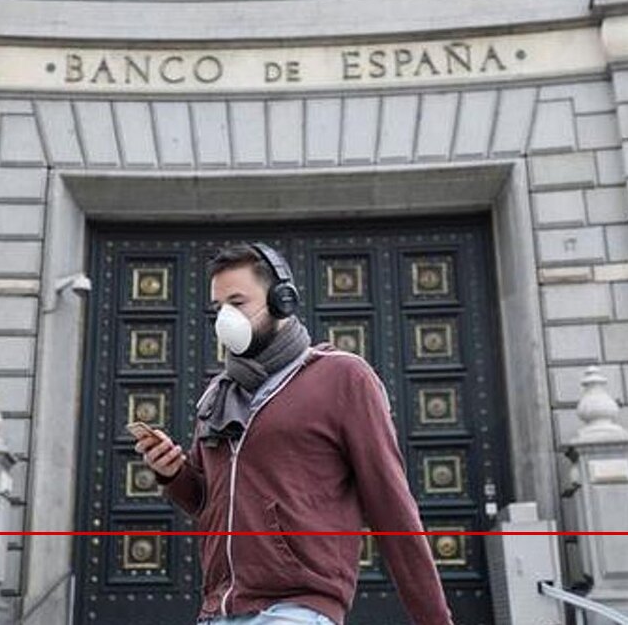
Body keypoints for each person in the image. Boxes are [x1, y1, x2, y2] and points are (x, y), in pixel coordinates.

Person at [134, 242, 454, 625]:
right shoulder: (218, 393)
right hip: (218, 609)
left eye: (238, 303)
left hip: (297, 608)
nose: (225, 319)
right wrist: (172, 473)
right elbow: (207, 501)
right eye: (219, 308)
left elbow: (391, 505)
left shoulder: (343, 376)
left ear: (281, 300)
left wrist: (435, 620)